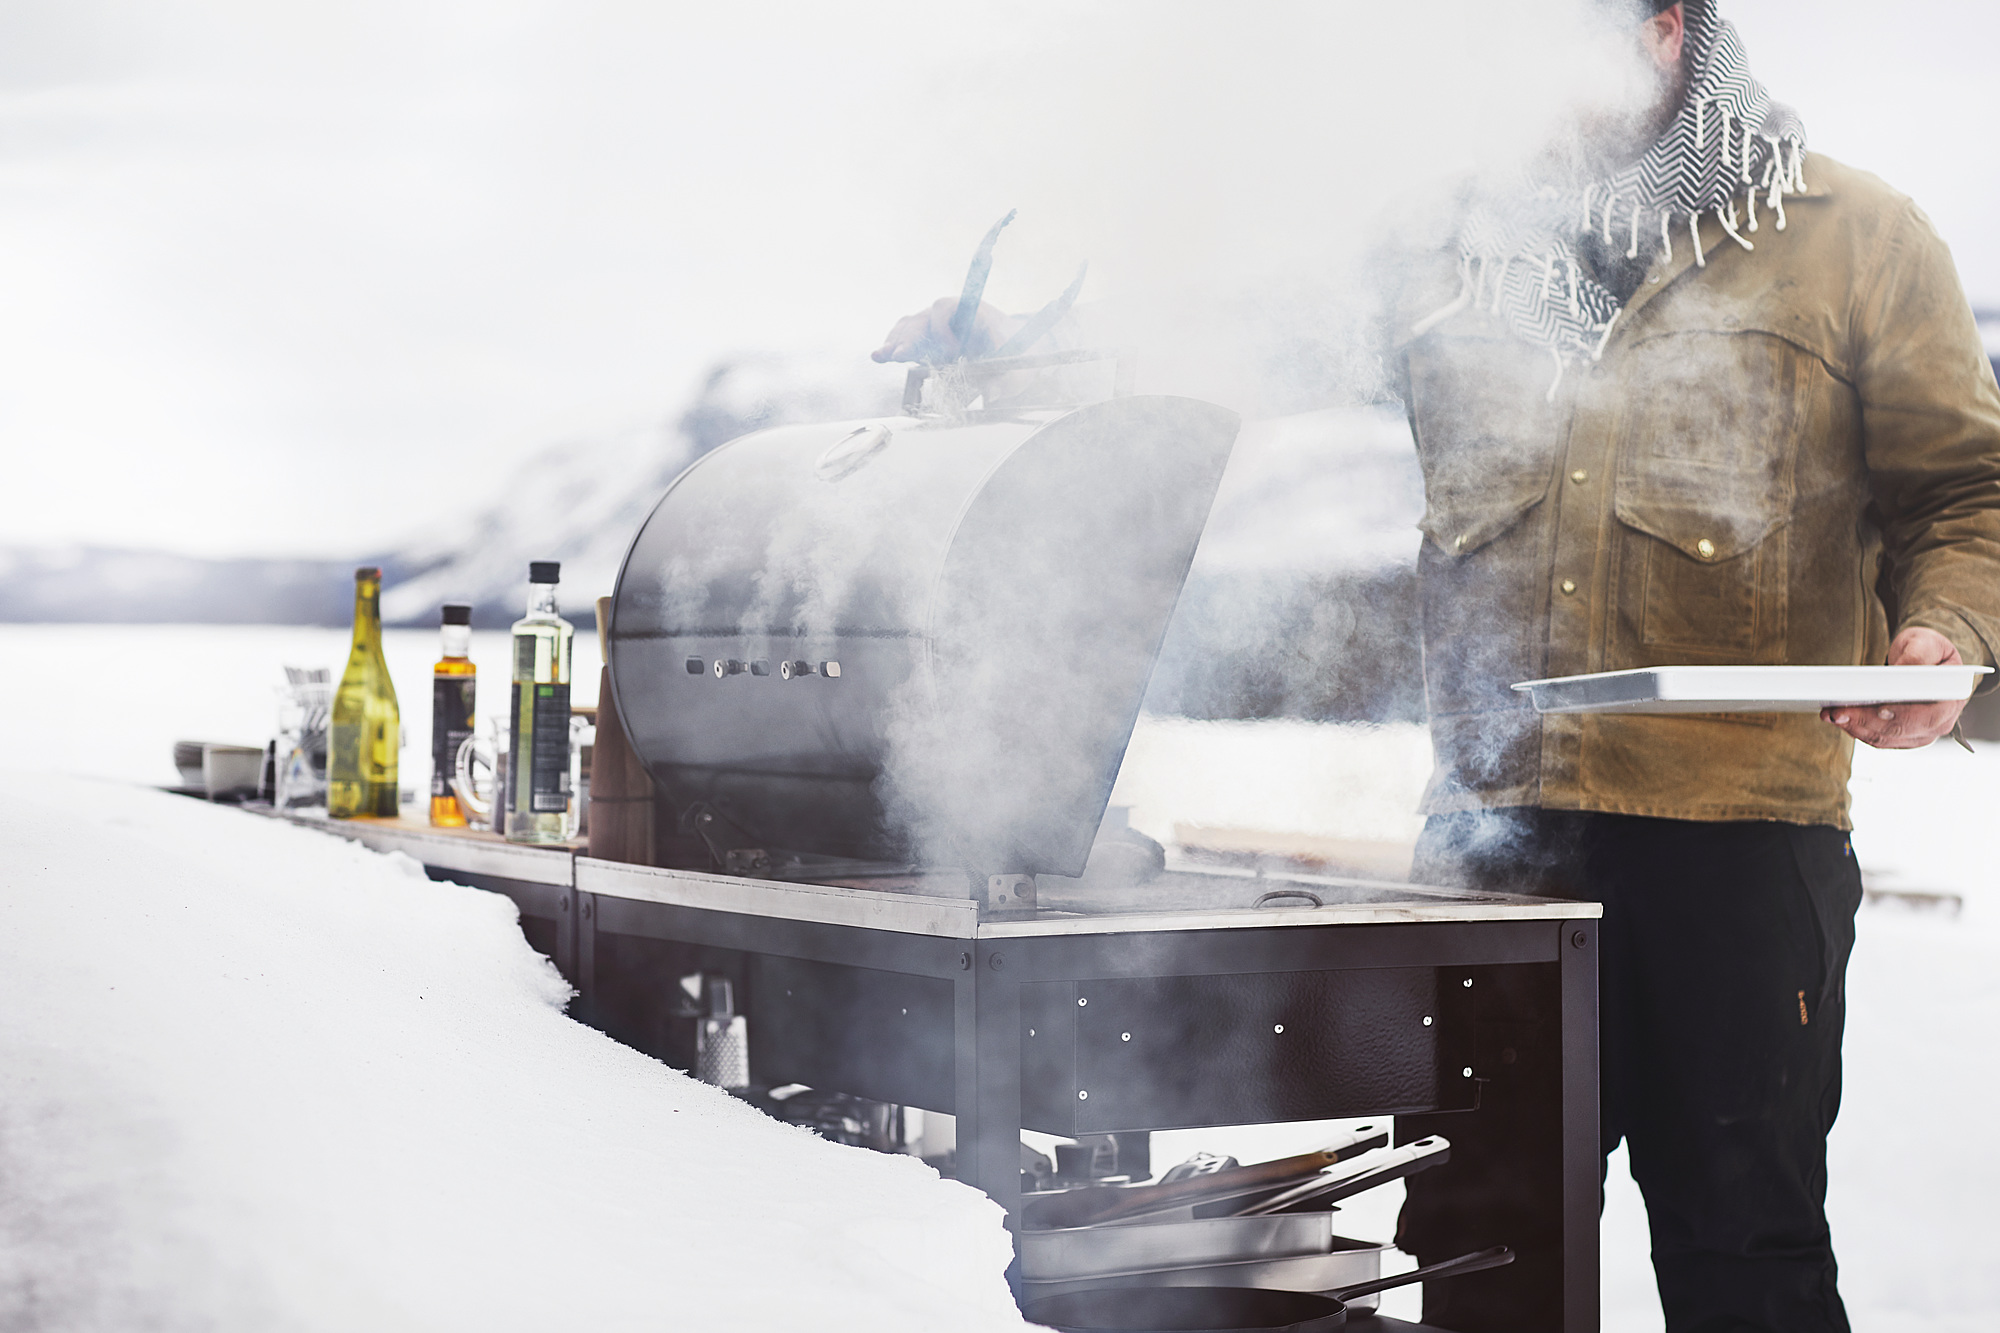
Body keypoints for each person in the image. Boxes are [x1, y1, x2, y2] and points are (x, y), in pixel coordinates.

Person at [876, 2, 2000, 1329]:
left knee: (1742, 1244)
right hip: (1492, 852)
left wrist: (1951, 634)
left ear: (1666, 31)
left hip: (1741, 846)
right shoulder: (1445, 244)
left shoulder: (1854, 239)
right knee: (1478, 1242)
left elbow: (1967, 487)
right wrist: (1025, 336)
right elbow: (1229, 338)